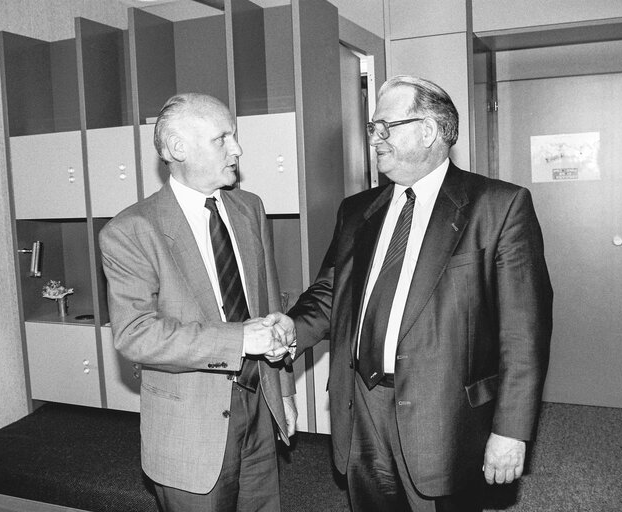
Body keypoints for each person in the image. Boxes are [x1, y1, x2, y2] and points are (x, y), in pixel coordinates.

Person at [278, 75, 553, 511]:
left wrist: (511, 430)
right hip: (360, 403)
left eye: (386, 126)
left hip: (444, 414)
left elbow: (524, 333)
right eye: (373, 128)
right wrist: (288, 328)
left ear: (428, 130)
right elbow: (331, 294)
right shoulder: (356, 211)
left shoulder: (498, 207)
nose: (375, 139)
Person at [99, 92, 297, 512]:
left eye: (235, 136)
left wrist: (284, 391)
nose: (237, 149)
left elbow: (268, 305)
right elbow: (136, 335)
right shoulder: (132, 230)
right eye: (221, 138)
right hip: (189, 426)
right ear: (177, 148)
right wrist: (240, 340)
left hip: (260, 405)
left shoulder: (249, 208)